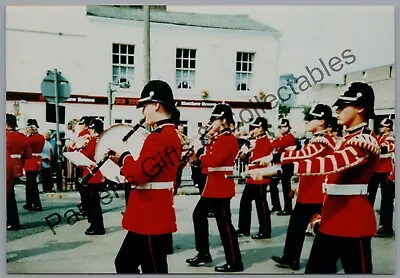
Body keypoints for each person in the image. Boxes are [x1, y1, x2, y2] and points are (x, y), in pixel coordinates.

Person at [246, 82, 380, 274]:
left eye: (343, 107)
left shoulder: (364, 140)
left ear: (360, 107)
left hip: (353, 220)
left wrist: (275, 170)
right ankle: (291, 256)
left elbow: (327, 164)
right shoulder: (347, 139)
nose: (338, 112)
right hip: (331, 218)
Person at [111, 80, 182, 274]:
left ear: (156, 105)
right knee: (126, 263)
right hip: (151, 211)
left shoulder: (160, 137)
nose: (142, 112)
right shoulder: (165, 135)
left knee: (152, 268)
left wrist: (123, 157)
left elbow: (138, 175)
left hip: (151, 214)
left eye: (144, 106)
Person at [256, 104, 336, 270]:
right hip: (310, 190)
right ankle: (291, 257)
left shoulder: (323, 140)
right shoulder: (317, 139)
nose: (307, 121)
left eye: (311, 118)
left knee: (327, 229)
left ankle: (320, 261)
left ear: (321, 121)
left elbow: (303, 155)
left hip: (318, 192)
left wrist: (273, 157)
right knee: (297, 227)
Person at [186, 103, 244, 273]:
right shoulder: (218, 138)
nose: (212, 122)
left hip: (221, 186)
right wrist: (196, 152)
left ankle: (234, 261)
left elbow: (213, 161)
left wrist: (200, 151)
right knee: (199, 215)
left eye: (215, 119)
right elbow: (206, 163)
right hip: (212, 186)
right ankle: (203, 252)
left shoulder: (228, 138)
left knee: (225, 225)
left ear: (224, 120)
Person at [236, 117, 273, 240]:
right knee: (246, 201)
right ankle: (244, 228)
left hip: (260, 176)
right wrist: (244, 154)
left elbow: (258, 158)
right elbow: (247, 158)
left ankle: (265, 230)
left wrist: (248, 155)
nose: (254, 130)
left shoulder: (265, 141)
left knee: (261, 204)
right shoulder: (255, 141)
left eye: (256, 127)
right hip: (252, 176)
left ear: (261, 128)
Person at [368, 118, 395, 237]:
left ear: (388, 127)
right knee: (369, 197)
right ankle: (368, 222)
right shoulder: (380, 138)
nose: (380, 128)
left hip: (386, 172)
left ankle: (386, 227)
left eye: (382, 126)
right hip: (376, 171)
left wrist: (371, 135)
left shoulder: (390, 139)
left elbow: (383, 149)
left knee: (386, 201)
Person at [79, 118, 106, 235]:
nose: (89, 131)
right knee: (95, 202)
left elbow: (85, 155)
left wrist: (78, 146)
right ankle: (96, 225)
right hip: (99, 174)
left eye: (90, 129)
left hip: (92, 175)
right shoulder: (103, 140)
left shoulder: (93, 141)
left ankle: (96, 226)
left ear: (94, 129)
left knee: (92, 203)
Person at [6, 113, 32, 230]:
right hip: (17, 167)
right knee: (10, 196)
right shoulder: (22, 137)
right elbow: (28, 155)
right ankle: (13, 221)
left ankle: (11, 221)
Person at [269, 118, 297, 215]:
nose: (282, 128)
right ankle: (276, 205)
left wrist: (277, 139)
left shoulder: (289, 137)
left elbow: (276, 144)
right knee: (273, 185)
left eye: (284, 126)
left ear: (288, 127)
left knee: (286, 187)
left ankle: (288, 208)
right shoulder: (283, 137)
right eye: (281, 127)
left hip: (287, 164)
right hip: (280, 164)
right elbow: (275, 146)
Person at [69, 116, 93, 216]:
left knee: (83, 188)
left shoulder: (86, 135)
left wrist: (73, 147)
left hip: (84, 165)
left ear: (86, 125)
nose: (80, 125)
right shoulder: (81, 134)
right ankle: (85, 206)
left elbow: (76, 148)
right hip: (80, 164)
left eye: (81, 124)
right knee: (82, 188)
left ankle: (86, 208)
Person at [24, 119, 45, 211]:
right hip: (36, 161)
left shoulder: (33, 138)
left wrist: (27, 135)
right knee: (29, 184)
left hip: (32, 161)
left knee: (31, 184)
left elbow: (25, 143)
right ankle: (29, 202)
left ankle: (36, 204)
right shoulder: (40, 137)